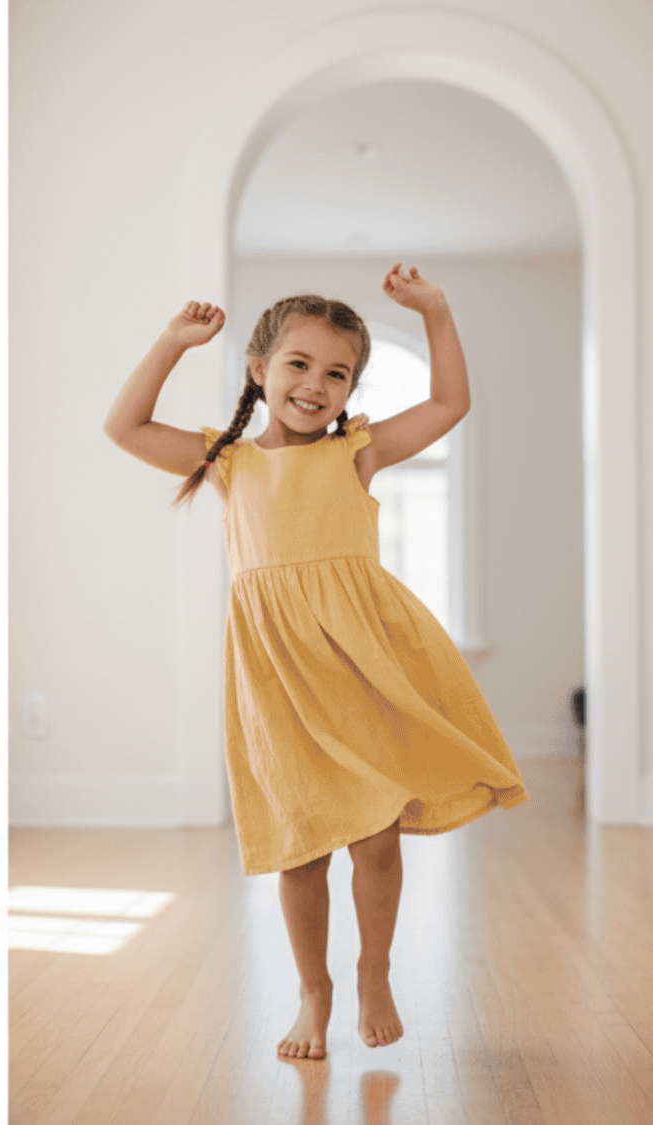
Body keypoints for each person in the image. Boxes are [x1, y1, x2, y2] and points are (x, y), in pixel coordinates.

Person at [104, 263, 527, 1059]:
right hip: (278, 678)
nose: (317, 384)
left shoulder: (356, 453)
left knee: (373, 835)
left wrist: (435, 310)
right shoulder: (226, 460)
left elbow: (449, 404)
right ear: (259, 370)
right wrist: (171, 343)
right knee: (299, 847)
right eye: (299, 364)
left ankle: (374, 970)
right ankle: (313, 990)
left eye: (338, 373)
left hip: (359, 665)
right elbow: (123, 427)